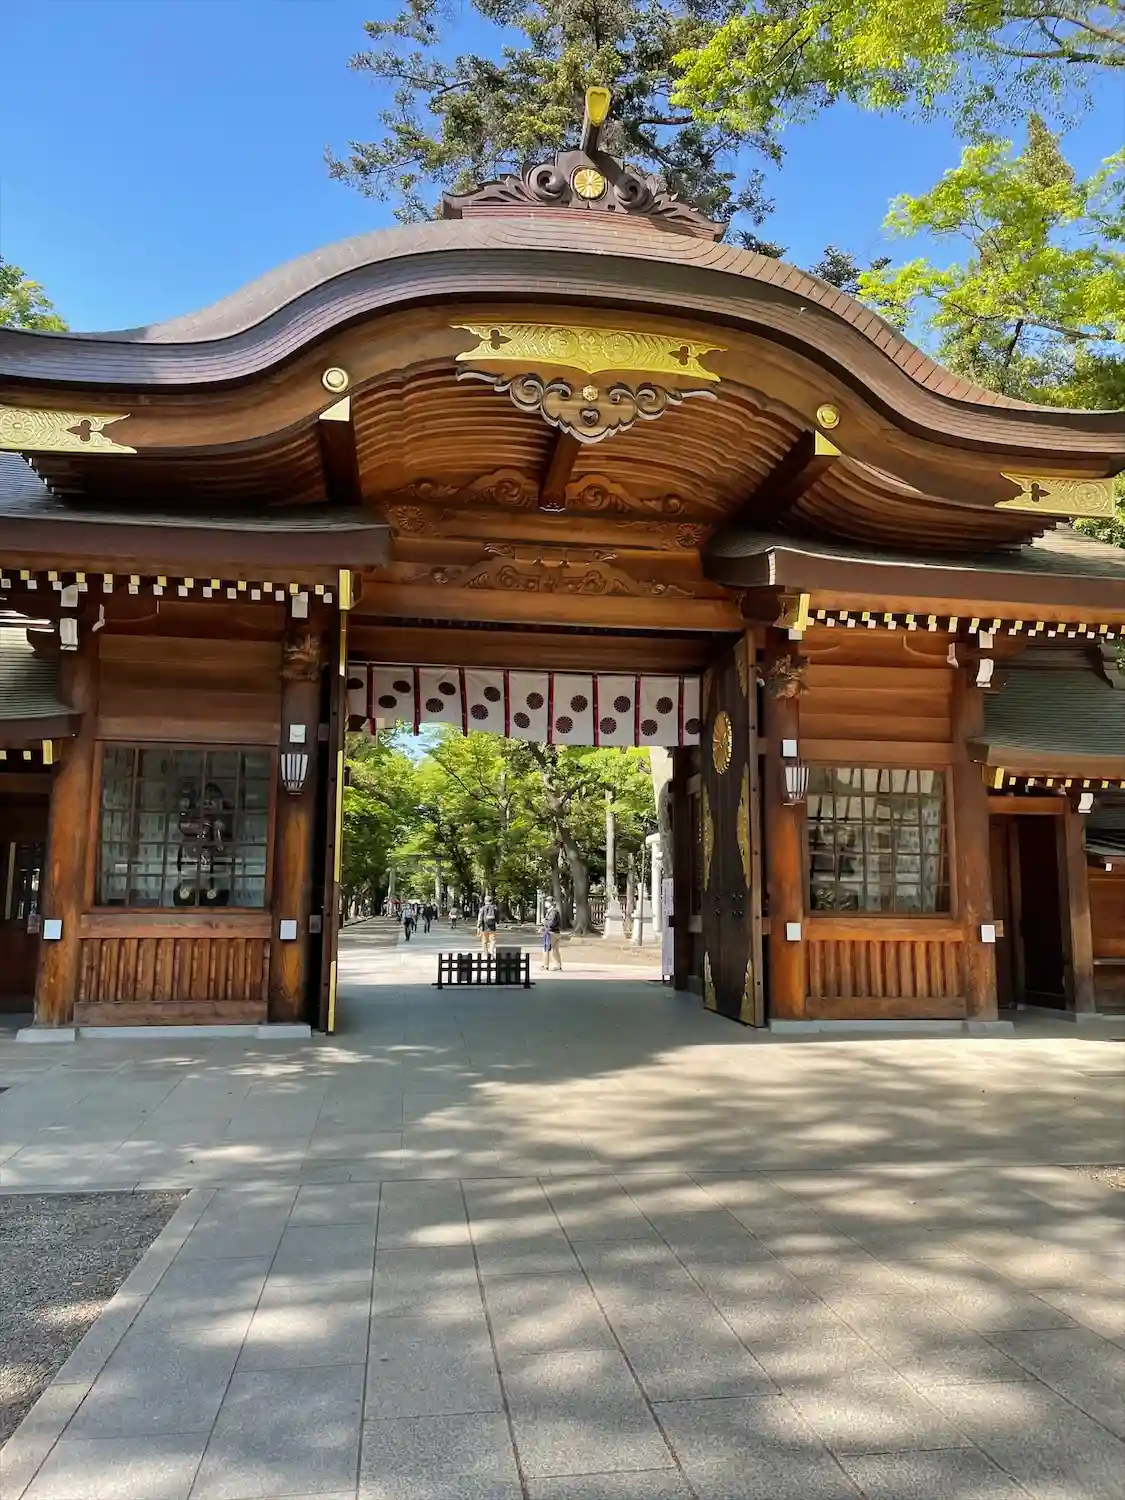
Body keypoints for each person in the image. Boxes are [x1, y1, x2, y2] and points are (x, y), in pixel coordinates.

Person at [541, 901, 563, 971]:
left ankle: (545, 965)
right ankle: (558, 965)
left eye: (547, 902)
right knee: (555, 950)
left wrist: (544, 921)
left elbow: (551, 923)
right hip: (555, 932)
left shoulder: (553, 912)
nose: (546, 904)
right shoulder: (553, 911)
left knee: (546, 949)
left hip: (551, 933)